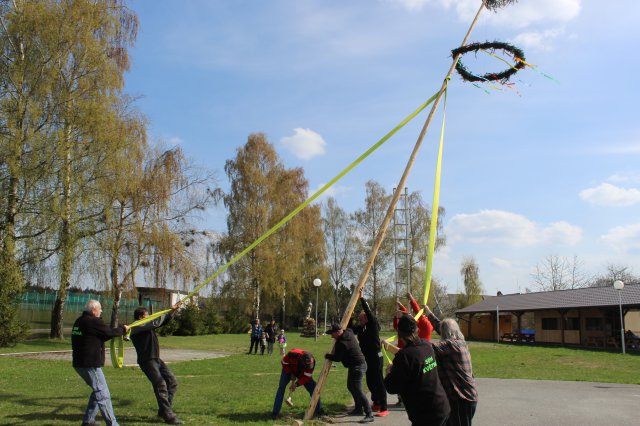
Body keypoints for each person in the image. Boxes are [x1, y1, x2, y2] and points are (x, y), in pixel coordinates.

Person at [384, 314, 450, 426]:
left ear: (399, 334)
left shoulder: (404, 356)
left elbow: (391, 387)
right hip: (442, 406)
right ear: (417, 330)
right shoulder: (426, 345)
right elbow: (414, 358)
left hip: (426, 415)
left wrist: (389, 372)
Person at [71, 299, 129, 426]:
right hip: (89, 364)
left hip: (79, 363)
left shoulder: (80, 321)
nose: (101, 311)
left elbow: (102, 335)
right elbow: (109, 332)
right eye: (100, 309)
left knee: (97, 391)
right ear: (94, 310)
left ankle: (88, 421)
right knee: (103, 394)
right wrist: (123, 330)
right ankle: (113, 424)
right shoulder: (93, 321)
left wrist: (118, 331)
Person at [130, 305, 183, 425]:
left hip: (156, 359)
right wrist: (169, 309)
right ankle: (168, 415)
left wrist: (173, 311)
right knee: (160, 385)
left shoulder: (146, 326)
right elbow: (155, 322)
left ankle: (163, 410)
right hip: (147, 361)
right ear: (140, 317)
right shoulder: (137, 325)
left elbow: (161, 322)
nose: (149, 317)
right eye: (146, 315)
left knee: (171, 381)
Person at [425, 306, 478, 426]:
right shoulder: (460, 343)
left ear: (446, 333)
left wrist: (412, 337)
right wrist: (428, 312)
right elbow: (441, 326)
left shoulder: (452, 345)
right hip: (464, 398)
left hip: (461, 399)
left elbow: (427, 348)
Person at [325, 323, 374, 423]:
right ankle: (358, 408)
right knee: (350, 386)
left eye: (332, 334)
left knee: (358, 390)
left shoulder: (341, 343)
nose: (331, 336)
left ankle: (369, 414)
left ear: (338, 332)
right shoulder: (349, 332)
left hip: (357, 367)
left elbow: (338, 358)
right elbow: (349, 328)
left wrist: (328, 356)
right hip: (357, 365)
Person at [353, 288, 388, 417]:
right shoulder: (361, 328)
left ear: (367, 318)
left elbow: (369, 312)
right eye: (359, 319)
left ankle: (384, 407)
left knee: (378, 381)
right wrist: (350, 314)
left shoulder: (372, 325)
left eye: (361, 319)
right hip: (367, 357)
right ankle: (376, 402)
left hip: (376, 356)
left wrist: (361, 298)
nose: (360, 321)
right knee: (370, 381)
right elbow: (350, 328)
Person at [271, 348, 325, 420]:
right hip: (288, 369)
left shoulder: (312, 362)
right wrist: (290, 373)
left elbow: (306, 377)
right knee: (281, 387)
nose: (309, 367)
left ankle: (318, 411)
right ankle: (275, 413)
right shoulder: (292, 354)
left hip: (302, 373)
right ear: (302, 361)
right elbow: (284, 362)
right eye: (307, 366)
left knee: (313, 388)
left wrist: (296, 384)